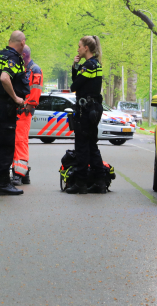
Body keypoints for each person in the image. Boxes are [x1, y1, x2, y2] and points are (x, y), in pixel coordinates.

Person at [0, 31, 28, 196]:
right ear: (22, 42)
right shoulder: (14, 58)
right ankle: (3, 184)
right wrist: (14, 97)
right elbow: (4, 78)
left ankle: (4, 182)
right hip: (5, 107)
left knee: (0, 142)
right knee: (6, 145)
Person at [65, 35, 106, 195]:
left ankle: (81, 183)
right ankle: (99, 181)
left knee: (82, 146)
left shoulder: (88, 66)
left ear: (86, 48)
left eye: (79, 46)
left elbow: (74, 86)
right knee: (91, 146)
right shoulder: (95, 64)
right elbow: (79, 83)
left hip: (86, 110)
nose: (78, 49)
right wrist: (76, 66)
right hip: (94, 108)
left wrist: (75, 66)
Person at [12, 45, 42, 186]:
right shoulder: (23, 69)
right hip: (19, 109)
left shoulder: (34, 70)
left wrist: (28, 106)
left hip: (24, 110)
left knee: (20, 141)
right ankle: (24, 173)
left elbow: (35, 91)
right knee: (18, 141)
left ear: (23, 54)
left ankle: (18, 173)